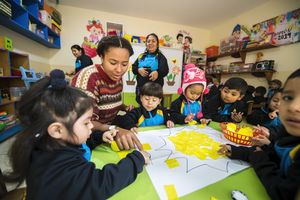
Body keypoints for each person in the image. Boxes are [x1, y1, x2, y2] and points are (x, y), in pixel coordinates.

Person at [0, 69, 150, 200]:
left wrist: (99, 137)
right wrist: (137, 159)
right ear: (57, 130)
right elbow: (102, 183)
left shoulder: (48, 143)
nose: (92, 125)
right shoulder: (61, 169)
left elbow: (79, 145)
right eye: (86, 123)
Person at [218, 68, 300, 200]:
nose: (293, 107)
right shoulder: (285, 135)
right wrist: (237, 151)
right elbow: (270, 153)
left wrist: (259, 157)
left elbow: (282, 193)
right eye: (289, 97)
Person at [71, 36, 140, 150]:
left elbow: (109, 101)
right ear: (102, 57)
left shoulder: (117, 77)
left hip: (108, 129)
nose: (119, 70)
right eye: (113, 63)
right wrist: (113, 129)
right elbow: (84, 122)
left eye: (124, 64)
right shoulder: (88, 78)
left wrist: (124, 107)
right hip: (89, 136)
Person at [132, 33, 169, 104]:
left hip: (155, 91)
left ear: (157, 44)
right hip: (141, 89)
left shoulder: (161, 57)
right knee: (142, 109)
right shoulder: (141, 56)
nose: (150, 43)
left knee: (153, 108)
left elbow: (165, 70)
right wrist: (138, 70)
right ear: (146, 44)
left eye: (153, 41)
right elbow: (134, 67)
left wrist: (157, 73)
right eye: (148, 41)